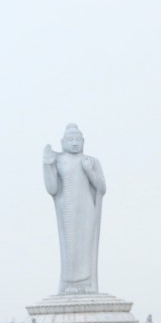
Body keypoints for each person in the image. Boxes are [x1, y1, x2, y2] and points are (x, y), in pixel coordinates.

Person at [43, 124, 106, 294]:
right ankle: (70, 283)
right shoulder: (58, 160)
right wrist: (48, 166)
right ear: (63, 142)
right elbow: (52, 189)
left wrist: (88, 171)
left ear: (83, 141)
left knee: (85, 245)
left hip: (86, 208)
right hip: (67, 206)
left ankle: (87, 283)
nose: (75, 143)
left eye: (78, 139)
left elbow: (101, 188)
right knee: (70, 246)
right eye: (70, 140)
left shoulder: (91, 161)